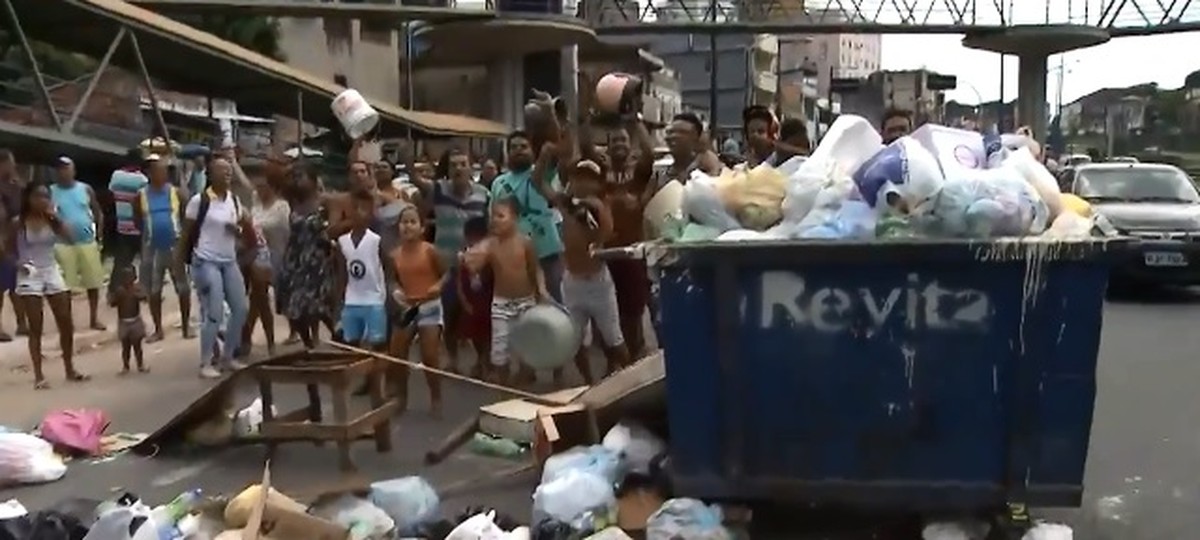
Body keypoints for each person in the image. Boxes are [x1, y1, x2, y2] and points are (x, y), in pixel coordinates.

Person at [545, 159, 628, 385]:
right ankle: (589, 383)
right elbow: (541, 185)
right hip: (572, 280)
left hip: (597, 281)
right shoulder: (567, 203)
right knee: (574, 339)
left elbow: (606, 235)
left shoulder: (598, 206)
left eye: (587, 178)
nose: (580, 182)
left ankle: (632, 380)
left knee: (613, 338)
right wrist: (547, 157)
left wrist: (596, 241)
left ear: (595, 183)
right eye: (577, 177)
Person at [410, 148, 490, 373]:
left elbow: (490, 226)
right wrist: (408, 162)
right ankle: (453, 359)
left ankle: (481, 360)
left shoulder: (483, 194)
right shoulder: (438, 190)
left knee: (477, 315)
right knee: (450, 314)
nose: (458, 168)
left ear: (470, 167)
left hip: (475, 266)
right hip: (445, 266)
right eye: (453, 164)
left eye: (462, 163)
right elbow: (417, 181)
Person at [178, 155, 253, 378]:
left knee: (241, 309)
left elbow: (245, 234)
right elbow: (185, 236)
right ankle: (205, 362)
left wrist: (237, 232)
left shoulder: (234, 201)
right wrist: (180, 268)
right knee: (214, 312)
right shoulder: (199, 201)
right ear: (210, 175)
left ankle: (228, 357)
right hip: (206, 260)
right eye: (222, 170)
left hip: (228, 260)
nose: (227, 174)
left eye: (229, 170)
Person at [464, 198, 548, 385]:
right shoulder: (491, 244)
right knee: (499, 354)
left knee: (526, 350)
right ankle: (504, 390)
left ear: (515, 218)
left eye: (500, 216)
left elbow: (535, 269)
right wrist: (471, 259)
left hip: (525, 302)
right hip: (500, 304)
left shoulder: (525, 242)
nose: (494, 220)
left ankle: (523, 387)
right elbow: (475, 264)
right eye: (492, 216)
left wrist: (541, 290)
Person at [10, 182, 85, 388]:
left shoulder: (51, 220)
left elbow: (70, 238)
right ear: (29, 199)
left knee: (65, 321)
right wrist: (18, 263)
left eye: (45, 196)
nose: (42, 200)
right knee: (36, 326)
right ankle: (39, 376)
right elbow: (6, 249)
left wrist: (55, 217)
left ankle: (70, 368)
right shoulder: (19, 223)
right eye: (38, 196)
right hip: (29, 272)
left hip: (50, 268)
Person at [599, 118, 655, 359]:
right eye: (615, 141)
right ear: (608, 146)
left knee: (633, 312)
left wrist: (634, 120)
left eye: (623, 140)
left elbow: (649, 154)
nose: (619, 144)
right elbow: (584, 150)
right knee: (609, 314)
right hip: (607, 253)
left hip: (633, 253)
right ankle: (615, 364)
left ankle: (636, 356)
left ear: (630, 145)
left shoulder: (638, 173)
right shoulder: (600, 172)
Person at [489, 130, 566, 303]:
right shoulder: (498, 183)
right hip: (514, 257)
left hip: (547, 253)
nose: (519, 150)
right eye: (514, 147)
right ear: (507, 153)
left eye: (524, 146)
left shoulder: (542, 173)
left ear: (532, 151)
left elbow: (556, 149)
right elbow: (492, 222)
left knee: (555, 308)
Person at [388, 205, 446, 416]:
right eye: (404, 222)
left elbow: (446, 274)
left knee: (430, 356)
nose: (408, 226)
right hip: (407, 307)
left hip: (429, 306)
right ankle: (401, 397)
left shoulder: (430, 250)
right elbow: (392, 279)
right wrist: (396, 290)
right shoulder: (394, 254)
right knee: (397, 355)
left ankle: (436, 397)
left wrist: (438, 286)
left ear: (421, 227)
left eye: (413, 222)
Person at [277, 162, 336, 349]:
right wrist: (289, 170)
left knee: (319, 307)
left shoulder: (324, 201)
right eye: (295, 176)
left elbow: (334, 228)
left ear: (312, 179)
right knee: (296, 308)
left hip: (317, 261)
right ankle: (308, 345)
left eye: (301, 176)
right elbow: (277, 181)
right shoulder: (293, 202)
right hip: (295, 260)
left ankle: (340, 337)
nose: (297, 179)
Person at [137, 154, 192, 342]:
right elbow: (139, 222)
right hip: (152, 248)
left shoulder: (176, 193)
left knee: (183, 288)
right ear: (150, 173)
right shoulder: (141, 195)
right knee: (154, 291)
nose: (163, 174)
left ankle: (186, 327)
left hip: (175, 246)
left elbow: (187, 218)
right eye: (159, 170)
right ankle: (158, 329)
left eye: (164, 170)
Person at [49, 156, 106, 331]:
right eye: (60, 169)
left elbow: (97, 212)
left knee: (93, 282)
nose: (63, 172)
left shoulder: (85, 189)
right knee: (65, 286)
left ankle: (94, 318)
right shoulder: (51, 191)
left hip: (87, 241)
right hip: (63, 244)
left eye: (66, 168)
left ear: (73, 170)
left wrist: (100, 235)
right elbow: (48, 216)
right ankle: (68, 321)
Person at [243, 172, 290, 356]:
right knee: (259, 298)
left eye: (264, 186)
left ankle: (249, 337)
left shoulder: (281, 207)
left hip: (277, 255)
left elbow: (287, 234)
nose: (260, 190)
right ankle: (261, 340)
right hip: (259, 256)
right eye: (258, 187)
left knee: (263, 300)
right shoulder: (255, 204)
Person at [338, 190, 389, 350]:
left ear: (370, 213)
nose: (359, 212)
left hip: (374, 300)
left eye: (363, 208)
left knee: (377, 344)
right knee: (351, 344)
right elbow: (341, 273)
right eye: (355, 208)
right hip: (351, 300)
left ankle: (375, 375)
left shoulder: (376, 240)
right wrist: (339, 301)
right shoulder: (342, 241)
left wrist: (388, 292)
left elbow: (389, 267)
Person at [453, 216, 492, 379]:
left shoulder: (490, 256)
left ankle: (486, 362)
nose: (473, 241)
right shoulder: (462, 256)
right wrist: (463, 300)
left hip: (487, 300)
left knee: (489, 334)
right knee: (475, 334)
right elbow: (459, 283)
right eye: (470, 237)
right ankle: (480, 359)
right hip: (471, 301)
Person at [108, 149, 150, 296]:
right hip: (139, 226)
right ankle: (143, 291)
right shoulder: (142, 180)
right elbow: (145, 203)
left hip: (122, 224)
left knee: (121, 261)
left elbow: (112, 194)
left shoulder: (116, 175)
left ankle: (113, 292)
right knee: (145, 261)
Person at [0, 149, 27, 341]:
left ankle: (22, 323)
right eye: (10, 163)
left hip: (16, 240)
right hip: (4, 238)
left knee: (17, 284)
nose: (13, 166)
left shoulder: (15, 185)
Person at [108, 266, 147, 374]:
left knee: (137, 346)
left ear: (134, 277)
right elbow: (112, 303)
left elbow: (144, 297)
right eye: (125, 277)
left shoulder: (137, 289)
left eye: (130, 276)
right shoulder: (120, 291)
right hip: (124, 322)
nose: (128, 279)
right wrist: (115, 296)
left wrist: (137, 295)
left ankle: (140, 365)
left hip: (135, 320)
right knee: (125, 347)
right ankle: (126, 366)